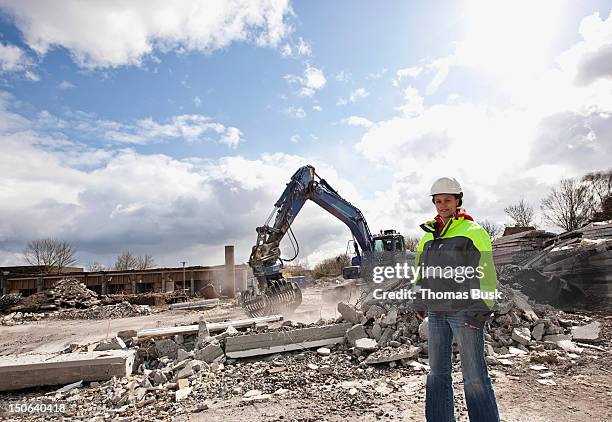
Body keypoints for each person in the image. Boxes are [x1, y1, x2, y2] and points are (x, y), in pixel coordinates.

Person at [413, 177, 500, 422]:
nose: (442, 205)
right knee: (437, 373)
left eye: (447, 200)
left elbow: (486, 272)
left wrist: (482, 308)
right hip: (437, 311)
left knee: (474, 374)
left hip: (465, 311)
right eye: (438, 201)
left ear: (458, 201)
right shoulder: (428, 236)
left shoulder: (473, 232)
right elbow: (421, 270)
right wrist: (419, 297)